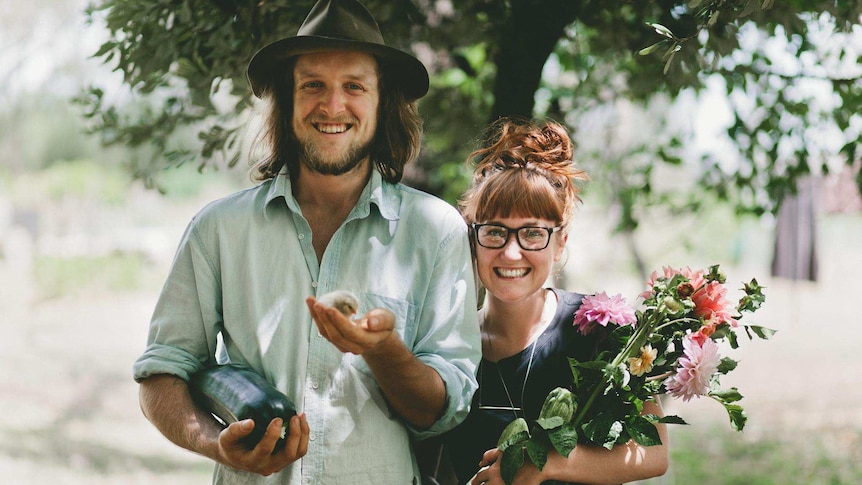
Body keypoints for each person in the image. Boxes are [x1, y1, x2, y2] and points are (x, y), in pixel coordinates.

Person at [132, 1, 481, 483]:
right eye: (312, 84)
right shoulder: (218, 229)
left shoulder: (435, 231)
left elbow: (440, 411)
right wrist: (218, 445)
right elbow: (161, 374)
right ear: (287, 101)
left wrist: (383, 349)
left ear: (384, 105)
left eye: (354, 87)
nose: (332, 106)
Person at [439, 118, 669, 484]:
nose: (511, 253)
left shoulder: (598, 330)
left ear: (560, 242)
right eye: (495, 231)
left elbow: (653, 453)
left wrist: (548, 462)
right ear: (473, 238)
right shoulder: (446, 342)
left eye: (532, 233)